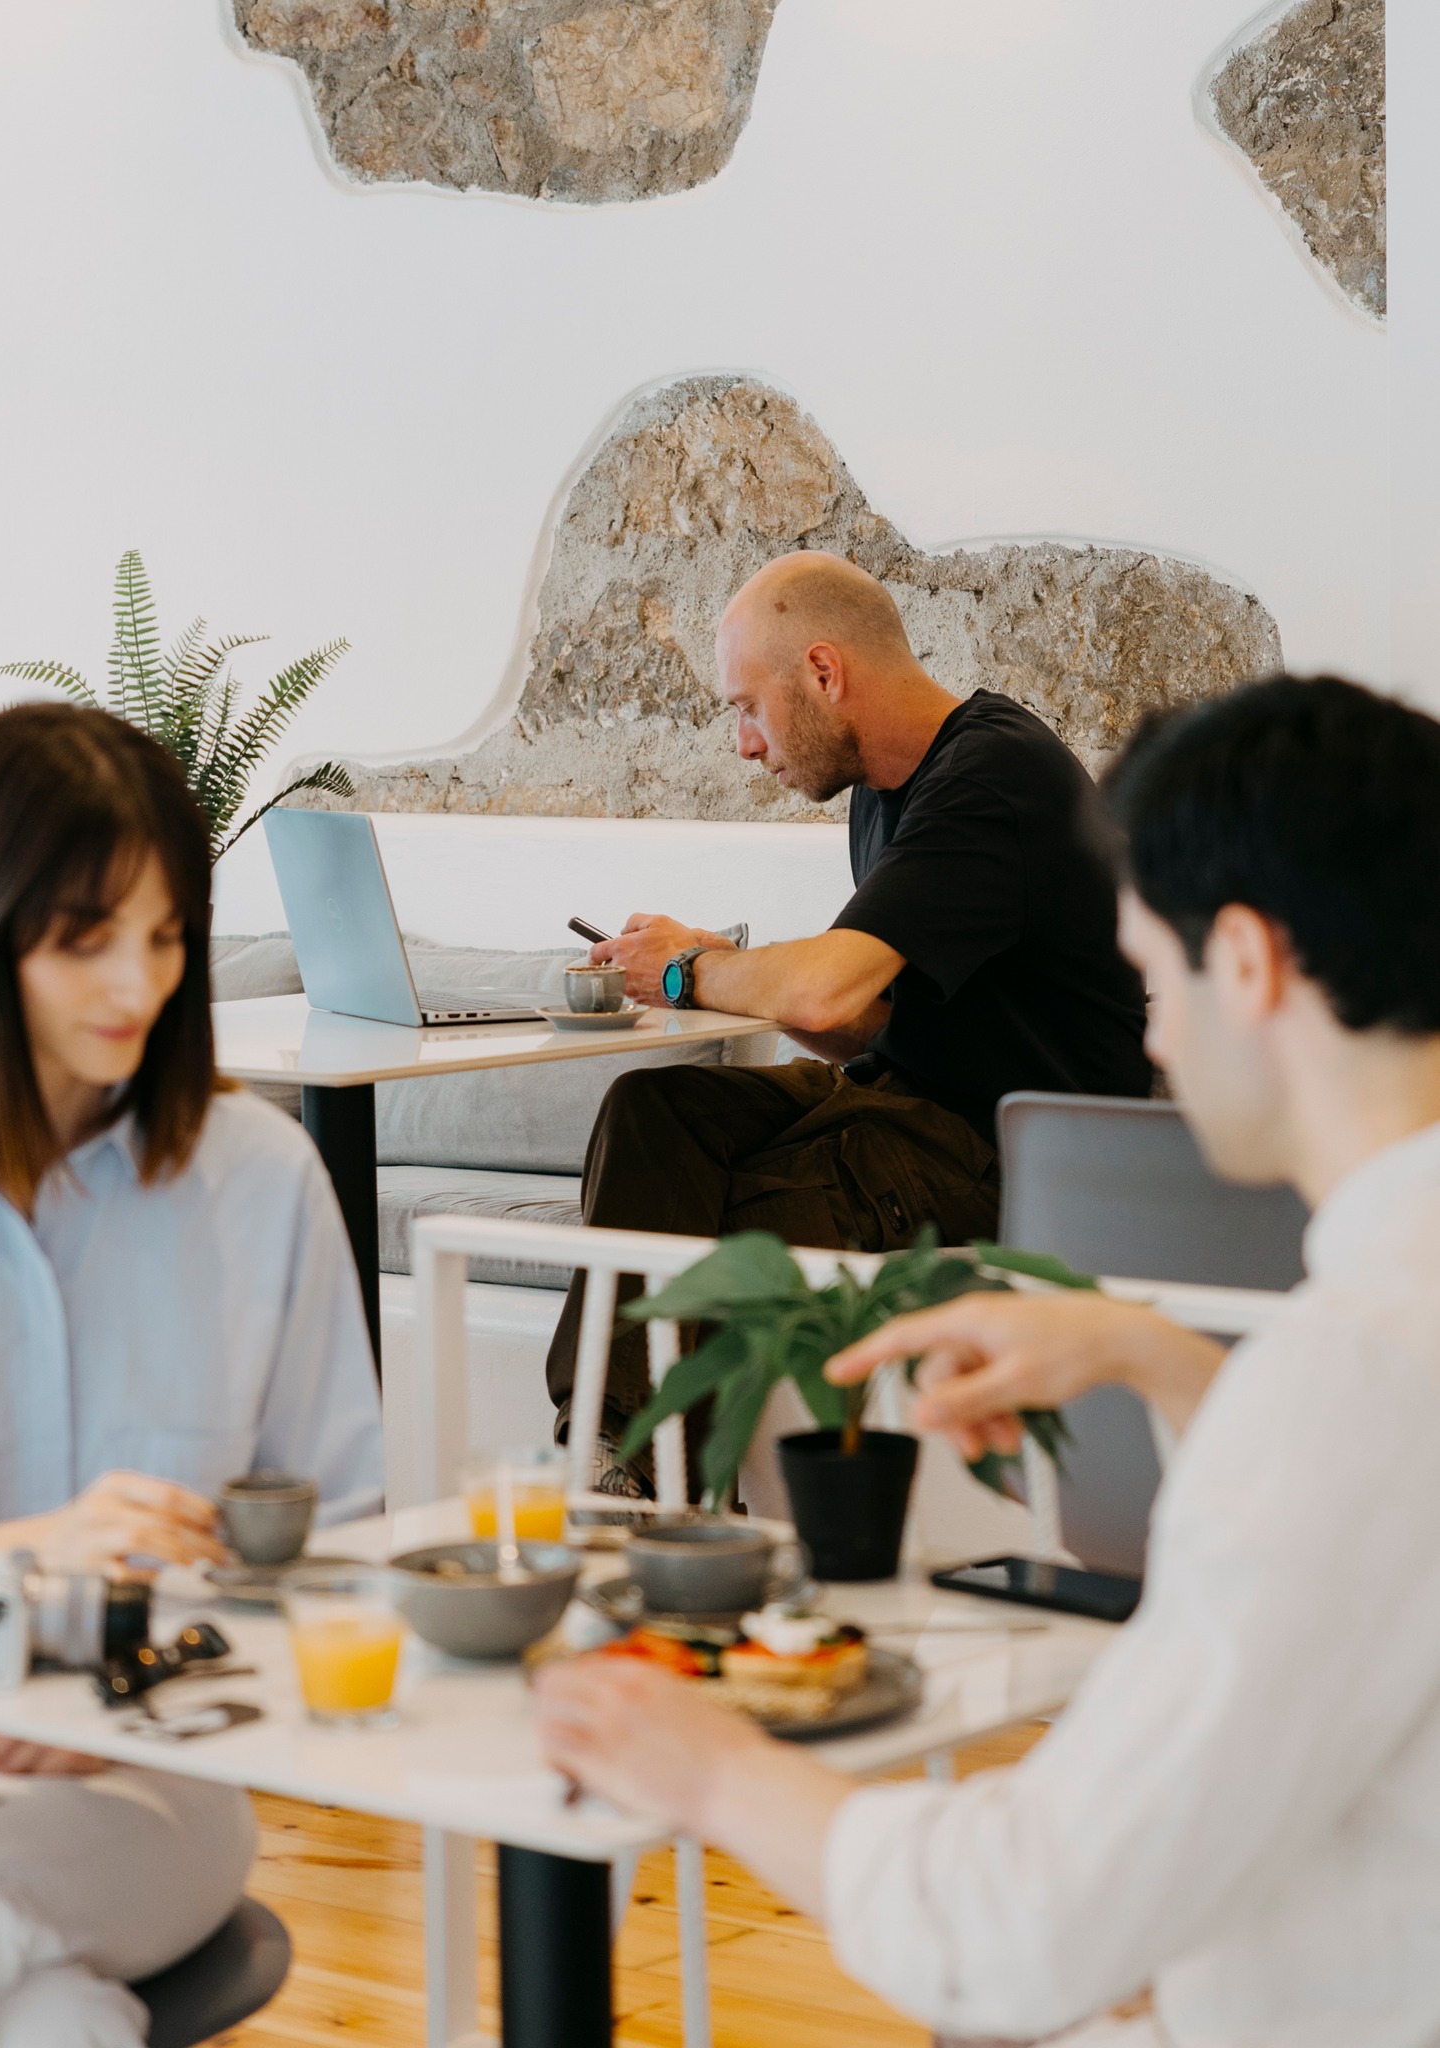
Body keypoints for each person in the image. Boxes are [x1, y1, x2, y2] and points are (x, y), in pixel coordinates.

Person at [537, 673, 1440, 2047]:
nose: (1148, 1036)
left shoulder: (1346, 1386)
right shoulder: (1370, 1338)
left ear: (1246, 963)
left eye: (1152, 977)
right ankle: (632, 1474)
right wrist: (1153, 1356)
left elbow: (1016, 1933)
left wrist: (719, 1773)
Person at [0, 704, 382, 2047]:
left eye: (166, 934)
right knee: (44, 2021)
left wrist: (136, 1686)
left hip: (156, 1778)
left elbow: (341, 1552)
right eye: (85, 940)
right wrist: (39, 1551)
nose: (138, 984)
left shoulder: (260, 1184)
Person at [547, 550, 1151, 1488]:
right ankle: (610, 1451)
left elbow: (825, 993)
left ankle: (651, 1485)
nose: (745, 744)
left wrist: (686, 969)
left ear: (824, 674)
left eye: (748, 705)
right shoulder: (878, 791)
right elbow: (858, 1017)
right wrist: (732, 969)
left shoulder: (993, 778)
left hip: (1007, 1145)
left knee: (707, 1226)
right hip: (904, 1099)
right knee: (653, 1114)